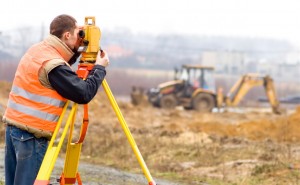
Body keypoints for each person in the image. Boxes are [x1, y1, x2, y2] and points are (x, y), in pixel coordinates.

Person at [2, 14, 109, 185]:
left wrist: (76, 48)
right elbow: (83, 94)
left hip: (14, 130)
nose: (80, 37)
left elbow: (61, 65)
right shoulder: (53, 65)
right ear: (67, 35)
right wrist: (99, 69)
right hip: (31, 136)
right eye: (77, 33)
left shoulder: (37, 50)